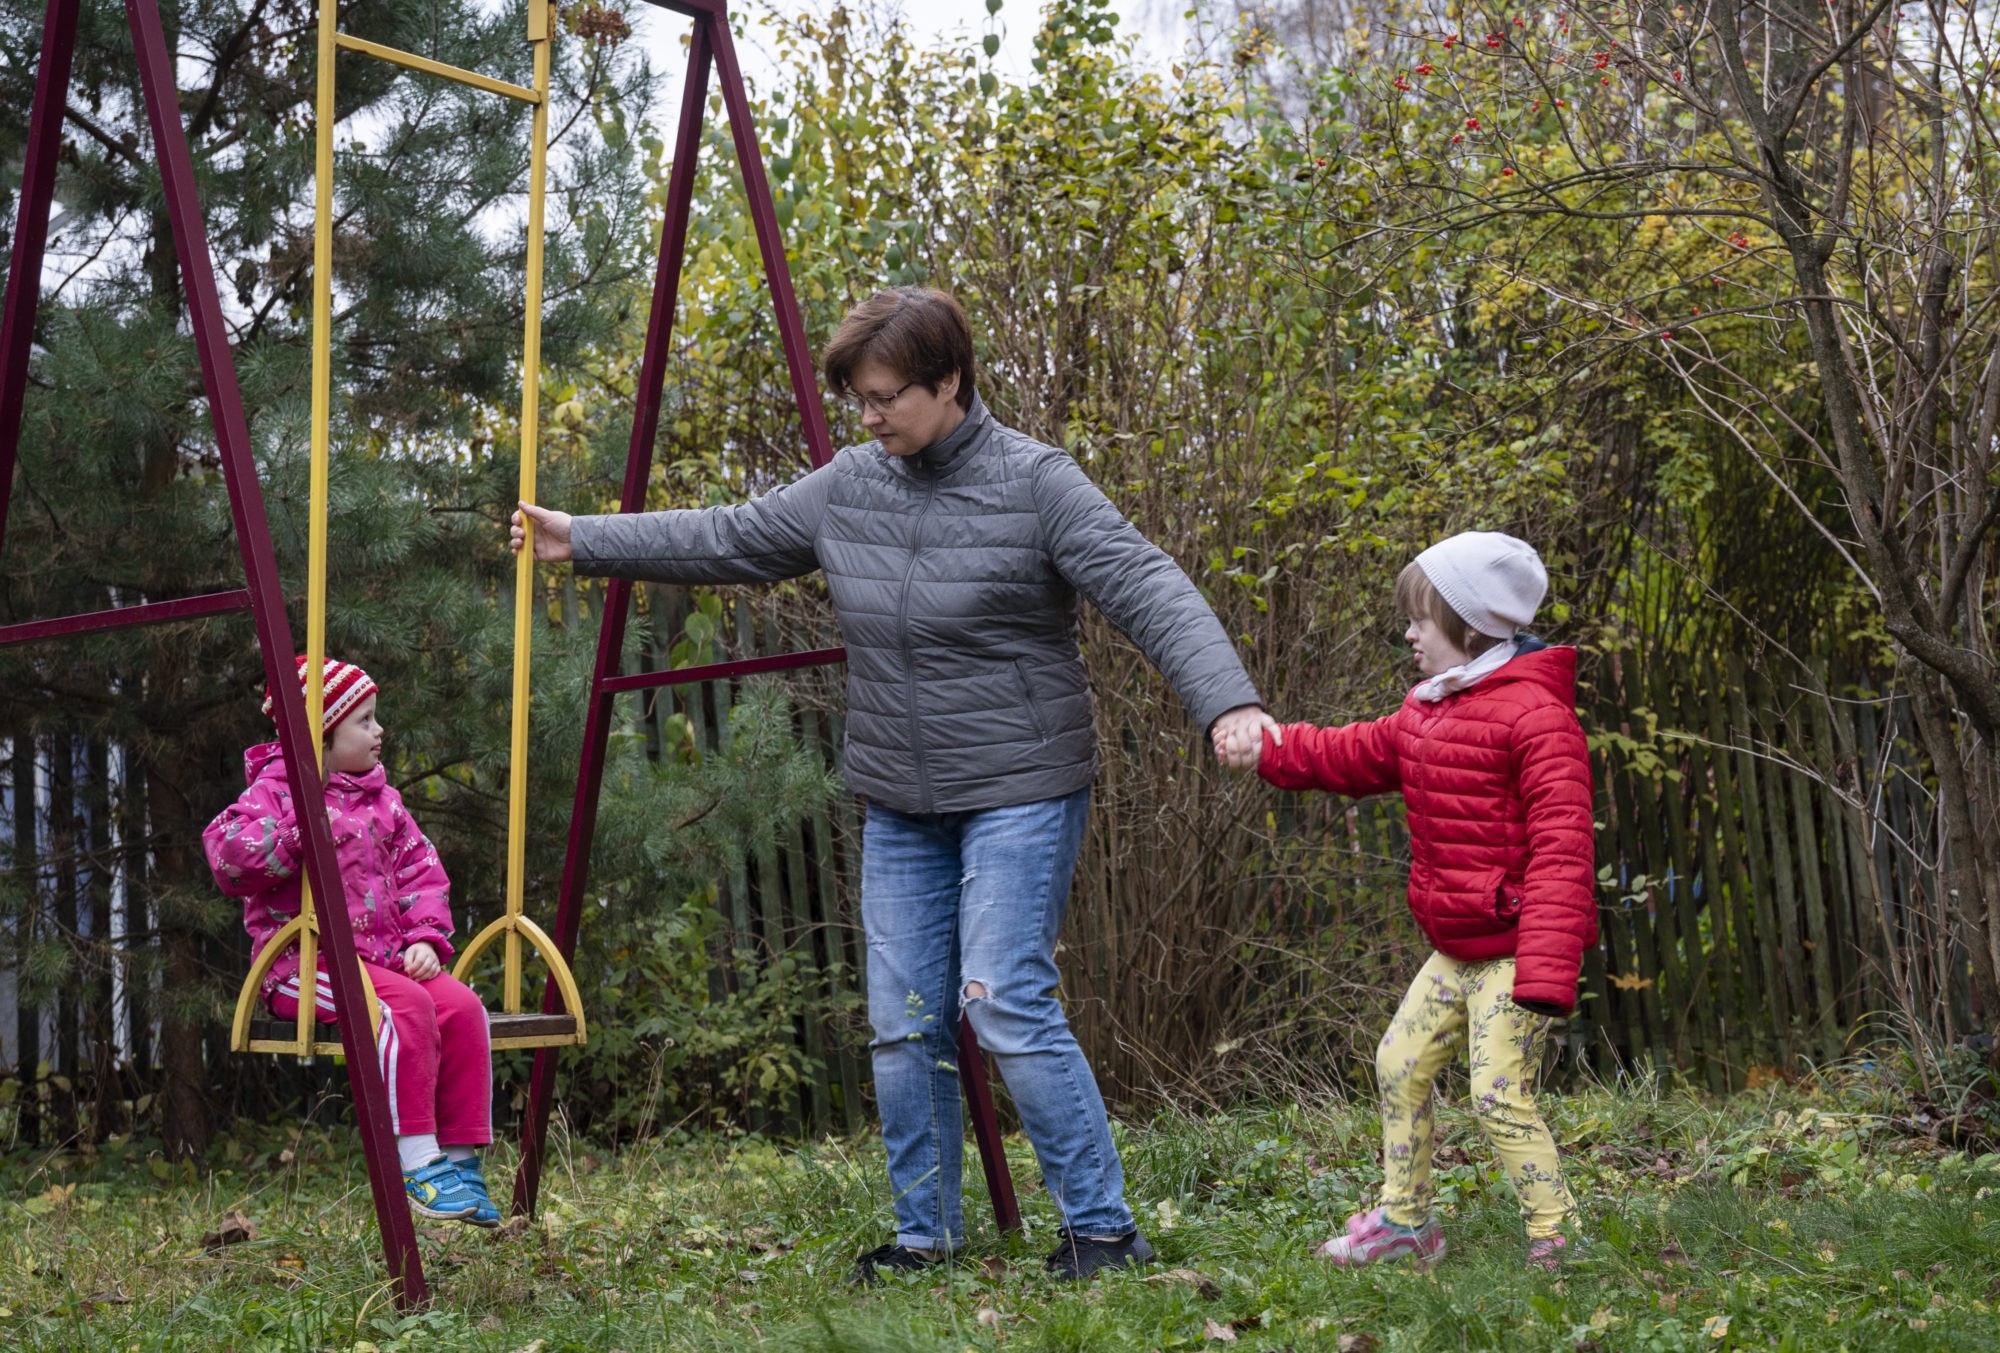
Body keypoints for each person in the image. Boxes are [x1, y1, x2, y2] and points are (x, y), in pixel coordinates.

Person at [512, 286, 1270, 1281]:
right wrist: (584, 538)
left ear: (948, 381)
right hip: (901, 797)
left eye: (885, 398)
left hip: (1020, 783)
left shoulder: (1036, 482)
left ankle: (1101, 1230)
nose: (867, 418)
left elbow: (1147, 584)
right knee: (904, 1022)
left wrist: (1226, 702)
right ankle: (925, 1236)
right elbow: (730, 536)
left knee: (1002, 999)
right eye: (858, 400)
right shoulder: (850, 486)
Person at [1216, 531, 1594, 1270]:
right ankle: (1406, 1223)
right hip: (1459, 946)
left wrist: (1548, 973)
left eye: (1422, 619)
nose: (1410, 634)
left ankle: (1560, 1234)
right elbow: (1352, 753)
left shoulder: (1538, 718)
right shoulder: (1429, 708)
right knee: (1400, 1061)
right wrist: (1272, 746)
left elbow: (1563, 849)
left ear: (1471, 625)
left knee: (1497, 1091)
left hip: (1517, 950)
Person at [204, 656, 499, 1227]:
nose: (379, 730)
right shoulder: (277, 793)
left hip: (379, 962)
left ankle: (459, 1162)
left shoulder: (383, 800)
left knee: (463, 1008)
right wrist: (296, 832)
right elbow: (228, 858)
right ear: (321, 736)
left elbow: (421, 872)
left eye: (375, 718)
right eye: (364, 721)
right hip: (301, 964)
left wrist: (424, 937)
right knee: (404, 1008)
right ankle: (417, 1160)